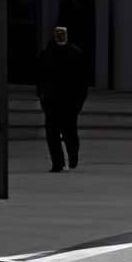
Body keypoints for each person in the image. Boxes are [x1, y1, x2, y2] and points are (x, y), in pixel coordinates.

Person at [35, 23, 90, 173]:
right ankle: (58, 163)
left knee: (69, 132)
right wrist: (42, 96)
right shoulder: (47, 54)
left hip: (69, 101)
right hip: (53, 101)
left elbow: (82, 81)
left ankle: (71, 157)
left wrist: (79, 101)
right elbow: (40, 77)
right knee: (53, 133)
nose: (60, 35)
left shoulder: (75, 54)